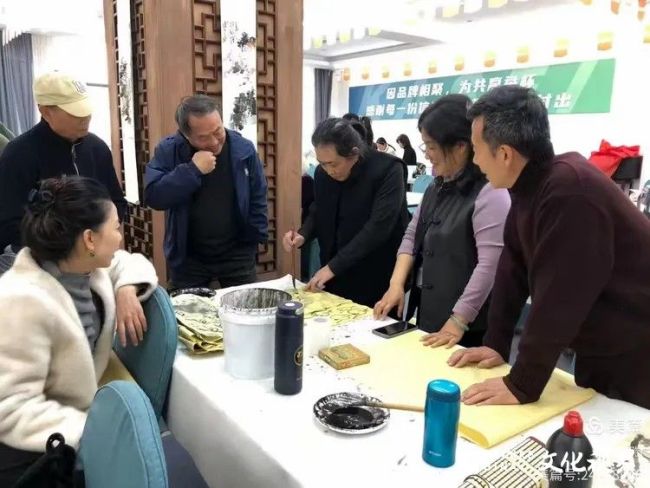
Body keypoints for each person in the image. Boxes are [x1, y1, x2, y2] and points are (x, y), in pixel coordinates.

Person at [449, 85, 650, 409]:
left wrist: (522, 384)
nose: (475, 160)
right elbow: (512, 266)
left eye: (476, 149)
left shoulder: (571, 192)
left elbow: (561, 296)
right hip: (601, 342)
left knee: (625, 430)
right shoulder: (530, 185)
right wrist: (496, 344)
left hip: (637, 346)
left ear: (505, 154)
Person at [0, 176, 158, 483]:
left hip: (76, 429)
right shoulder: (20, 300)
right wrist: (94, 431)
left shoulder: (84, 268)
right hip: (35, 456)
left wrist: (126, 289)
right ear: (89, 240)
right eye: (116, 227)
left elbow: (129, 262)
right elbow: (10, 408)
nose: (121, 238)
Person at [374, 95, 511, 347]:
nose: (427, 155)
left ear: (461, 147)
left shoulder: (490, 192)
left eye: (432, 147)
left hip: (470, 326)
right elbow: (411, 236)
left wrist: (459, 320)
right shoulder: (436, 186)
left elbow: (490, 265)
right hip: (430, 311)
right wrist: (396, 285)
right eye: (425, 146)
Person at [144, 95, 268, 290]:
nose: (214, 142)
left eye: (218, 131)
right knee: (186, 308)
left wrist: (255, 237)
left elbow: (258, 194)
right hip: (189, 256)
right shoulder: (169, 150)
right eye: (203, 137)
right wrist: (192, 170)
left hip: (237, 252)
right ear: (186, 135)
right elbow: (154, 196)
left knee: (244, 306)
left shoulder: (243, 149)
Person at [282, 118, 409, 308]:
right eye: (322, 164)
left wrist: (332, 268)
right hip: (334, 273)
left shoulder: (388, 169)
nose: (328, 171)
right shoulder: (323, 173)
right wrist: (303, 234)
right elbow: (319, 209)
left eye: (333, 164)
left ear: (354, 154)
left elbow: (379, 227)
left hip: (374, 273)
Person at [0, 72, 127, 257]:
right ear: (46, 112)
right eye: (76, 113)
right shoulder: (19, 154)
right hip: (40, 261)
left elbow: (116, 201)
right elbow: (9, 222)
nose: (85, 118)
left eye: (87, 111)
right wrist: (66, 246)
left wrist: (101, 233)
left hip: (95, 256)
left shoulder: (97, 148)